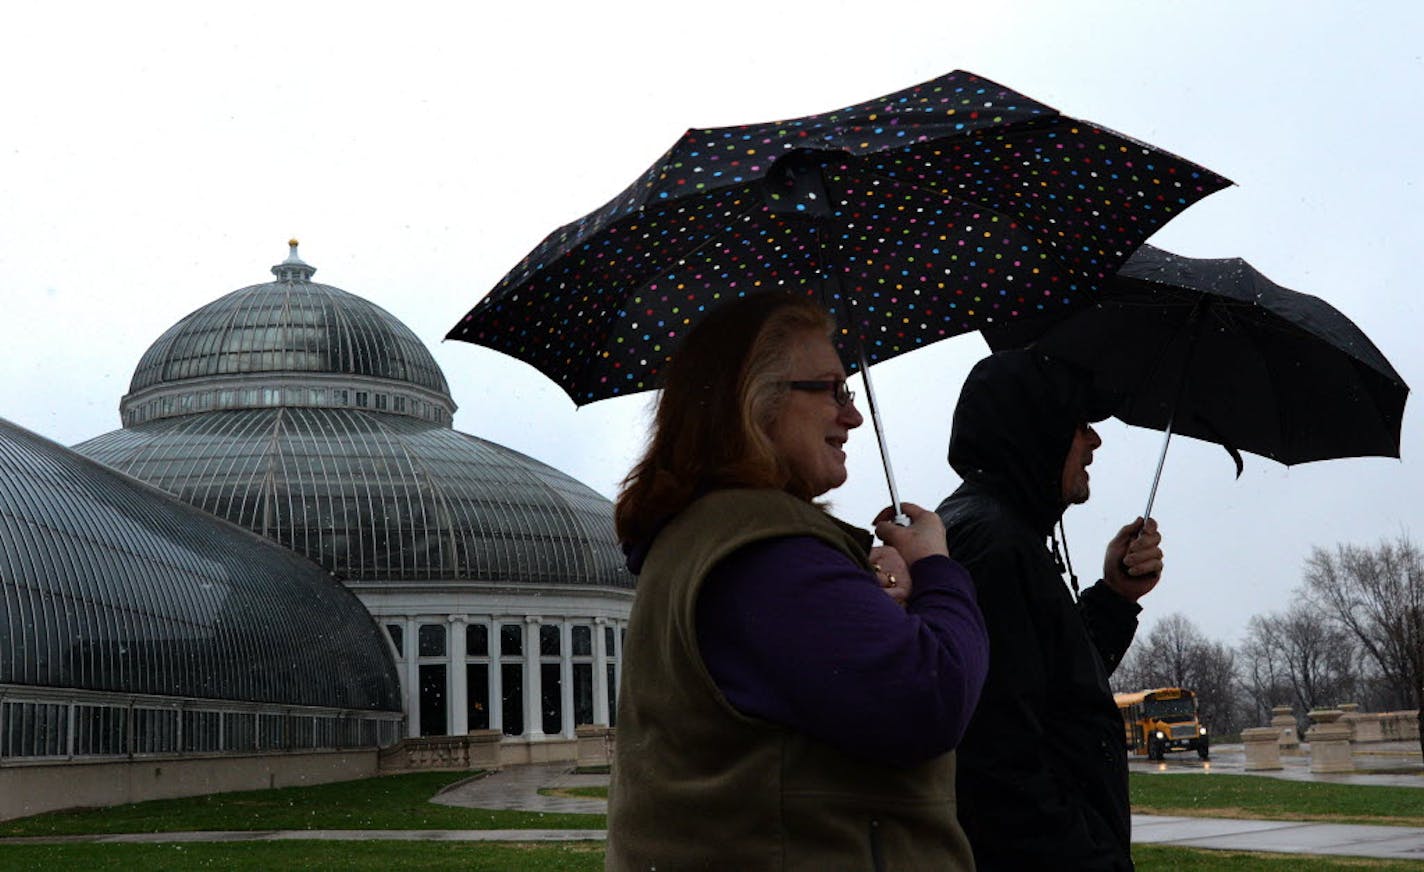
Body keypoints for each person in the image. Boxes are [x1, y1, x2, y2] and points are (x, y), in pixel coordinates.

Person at [605, 293, 989, 872]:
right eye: (832, 390)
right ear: (756, 402)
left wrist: (875, 604)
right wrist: (938, 571)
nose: (852, 415)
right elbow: (930, 697)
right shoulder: (767, 556)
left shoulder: (708, 539)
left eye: (851, 393)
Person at [935, 348, 1164, 871]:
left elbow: (1053, 691)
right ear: (1039, 430)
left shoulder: (1002, 533)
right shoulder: (993, 546)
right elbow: (999, 761)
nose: (1094, 440)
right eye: (1081, 424)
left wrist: (1114, 596)